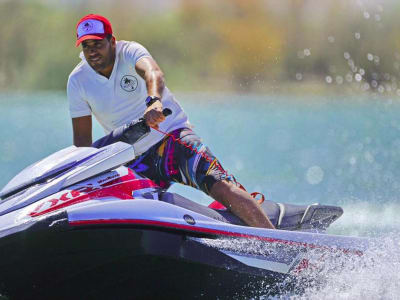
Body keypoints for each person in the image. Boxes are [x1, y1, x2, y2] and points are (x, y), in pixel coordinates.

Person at [67, 14, 275, 229]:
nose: (92, 51)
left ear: (112, 41)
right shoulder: (77, 81)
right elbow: (82, 145)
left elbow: (153, 72)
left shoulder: (129, 52)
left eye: (98, 44)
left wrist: (154, 101)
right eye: (86, 45)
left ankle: (277, 244)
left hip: (173, 139)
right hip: (134, 160)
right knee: (117, 210)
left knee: (221, 186)